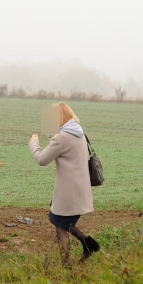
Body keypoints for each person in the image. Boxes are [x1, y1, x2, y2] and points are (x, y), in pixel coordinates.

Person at [29, 103, 100, 264]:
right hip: (78, 190)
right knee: (57, 219)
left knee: (60, 226)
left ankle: (66, 265)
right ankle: (88, 244)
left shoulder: (61, 137)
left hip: (69, 192)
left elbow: (41, 160)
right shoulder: (79, 133)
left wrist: (34, 143)